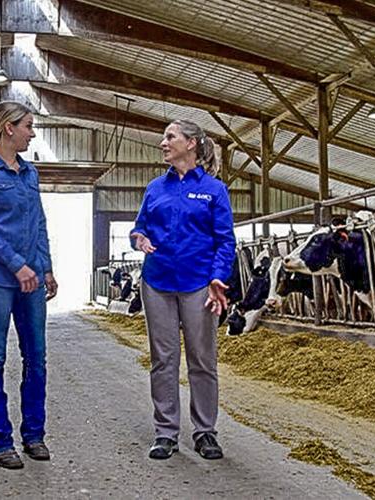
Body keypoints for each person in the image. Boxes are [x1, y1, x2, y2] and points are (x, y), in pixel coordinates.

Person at [130, 119, 235, 460]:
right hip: (157, 280)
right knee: (163, 359)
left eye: (170, 137)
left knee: (202, 359)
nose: (163, 143)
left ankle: (205, 431)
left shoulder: (214, 190)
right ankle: (165, 432)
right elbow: (140, 227)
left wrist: (219, 276)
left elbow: (225, 240)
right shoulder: (155, 188)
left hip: (198, 284)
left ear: (191, 144)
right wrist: (139, 239)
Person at [0, 101, 58, 469]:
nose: (32, 133)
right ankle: (0, 439)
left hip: (31, 276)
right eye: (29, 126)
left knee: (37, 357)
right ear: (8, 128)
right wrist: (17, 265)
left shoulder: (29, 173)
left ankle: (34, 434)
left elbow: (39, 223)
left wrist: (45, 267)